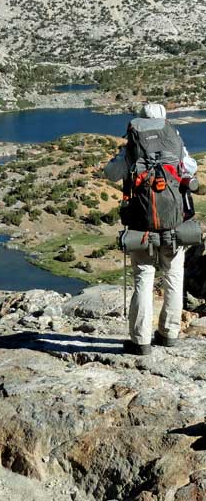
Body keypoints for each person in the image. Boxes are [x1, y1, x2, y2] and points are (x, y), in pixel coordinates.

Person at [104, 102, 197, 356]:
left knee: (143, 278)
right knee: (174, 277)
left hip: (141, 225)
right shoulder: (175, 143)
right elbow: (191, 168)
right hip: (174, 224)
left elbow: (110, 173)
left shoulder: (133, 148)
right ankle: (170, 334)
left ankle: (140, 341)